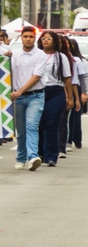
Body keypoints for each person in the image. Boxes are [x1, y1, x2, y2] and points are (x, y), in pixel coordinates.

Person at [10, 26, 44, 171]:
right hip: (17, 98)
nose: (28, 39)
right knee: (21, 130)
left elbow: (36, 76)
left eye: (31, 36)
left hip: (35, 96)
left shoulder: (40, 55)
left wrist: (20, 91)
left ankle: (33, 157)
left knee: (31, 126)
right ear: (21, 38)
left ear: (35, 38)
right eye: (26, 36)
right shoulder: (14, 55)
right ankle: (20, 158)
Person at [36, 30, 72, 167]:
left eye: (49, 38)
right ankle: (40, 153)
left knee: (52, 123)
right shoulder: (36, 56)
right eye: (43, 38)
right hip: (38, 91)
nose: (45, 41)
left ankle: (52, 156)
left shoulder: (61, 57)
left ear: (55, 41)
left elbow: (67, 79)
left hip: (56, 92)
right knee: (39, 124)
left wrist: (70, 98)